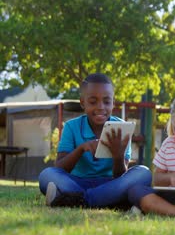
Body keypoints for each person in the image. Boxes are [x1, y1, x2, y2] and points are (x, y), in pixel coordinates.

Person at [38, 73, 152, 209]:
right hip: (77, 183)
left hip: (110, 184)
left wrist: (118, 156)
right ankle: (110, 201)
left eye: (106, 101)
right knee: (47, 174)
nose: (100, 107)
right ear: (83, 103)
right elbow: (61, 168)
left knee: (144, 173)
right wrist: (81, 149)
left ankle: (78, 200)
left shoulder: (121, 128)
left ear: (113, 102)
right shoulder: (71, 127)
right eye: (93, 102)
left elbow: (120, 176)